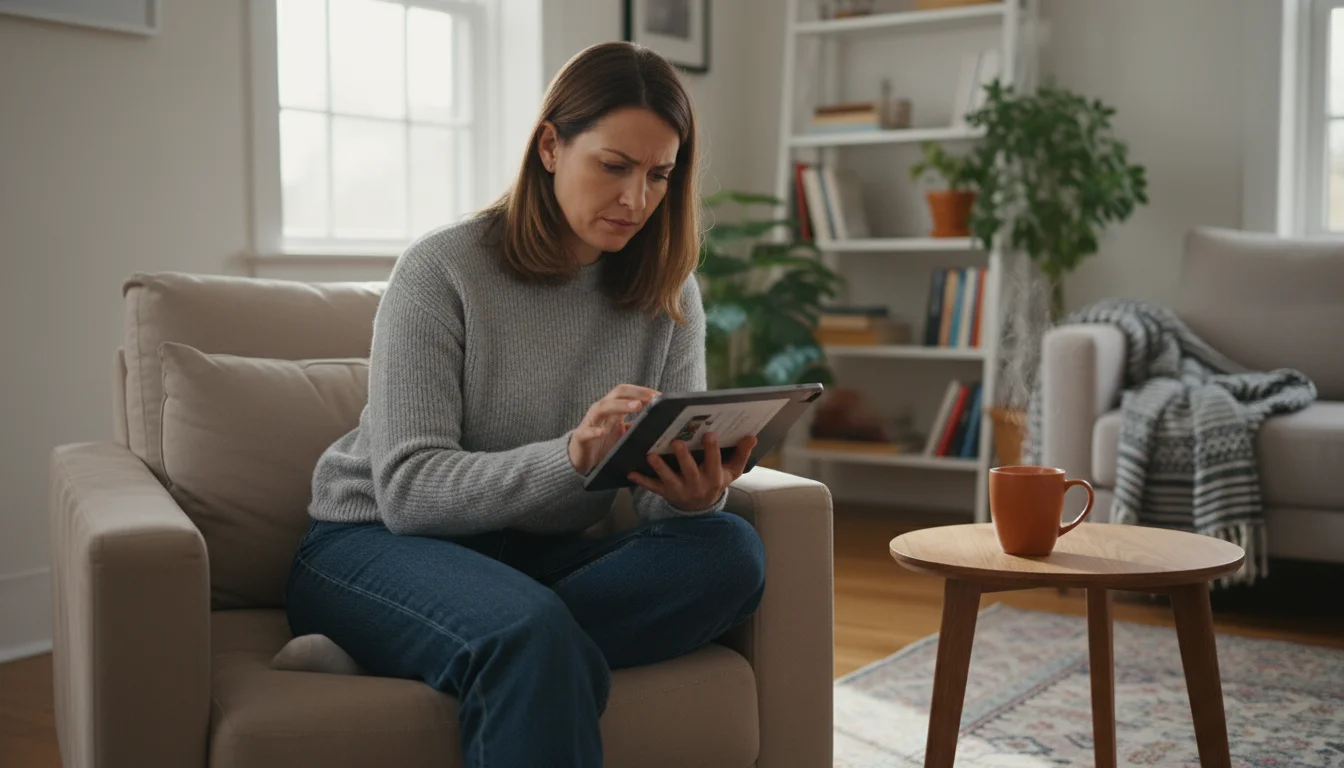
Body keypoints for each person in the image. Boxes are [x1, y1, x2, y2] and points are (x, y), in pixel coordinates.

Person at [278, 41, 767, 767]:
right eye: (614, 166)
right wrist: (573, 456)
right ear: (550, 146)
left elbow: (660, 511)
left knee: (728, 554)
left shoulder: (669, 292)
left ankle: (419, 651)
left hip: (535, 562)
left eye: (659, 175)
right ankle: (482, 641)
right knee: (526, 631)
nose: (637, 199)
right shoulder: (441, 269)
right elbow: (408, 492)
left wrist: (693, 493)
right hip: (376, 544)